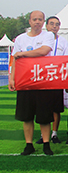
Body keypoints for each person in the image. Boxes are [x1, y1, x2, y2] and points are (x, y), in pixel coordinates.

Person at [9, 10, 55, 156]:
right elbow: (14, 59)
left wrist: (23, 54)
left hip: (42, 81)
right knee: (26, 116)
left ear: (43, 22)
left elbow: (44, 50)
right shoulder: (20, 39)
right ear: (29, 21)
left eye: (40, 19)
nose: (37, 22)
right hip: (25, 82)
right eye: (34, 19)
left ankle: (46, 144)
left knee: (44, 116)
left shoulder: (48, 35)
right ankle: (29, 144)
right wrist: (12, 78)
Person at [36, 16, 67, 145]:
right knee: (43, 107)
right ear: (46, 26)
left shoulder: (63, 41)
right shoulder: (40, 39)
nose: (55, 26)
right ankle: (44, 135)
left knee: (56, 108)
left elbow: (67, 58)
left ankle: (54, 133)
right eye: (52, 24)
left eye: (57, 24)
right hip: (42, 78)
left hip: (57, 78)